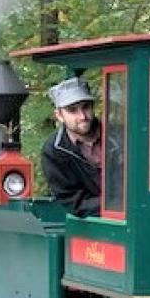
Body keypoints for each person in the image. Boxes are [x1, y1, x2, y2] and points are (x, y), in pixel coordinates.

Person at [41, 77, 101, 217]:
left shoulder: (118, 135)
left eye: (86, 107)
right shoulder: (53, 151)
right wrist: (115, 205)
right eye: (72, 110)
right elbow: (74, 202)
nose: (82, 116)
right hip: (95, 223)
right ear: (59, 115)